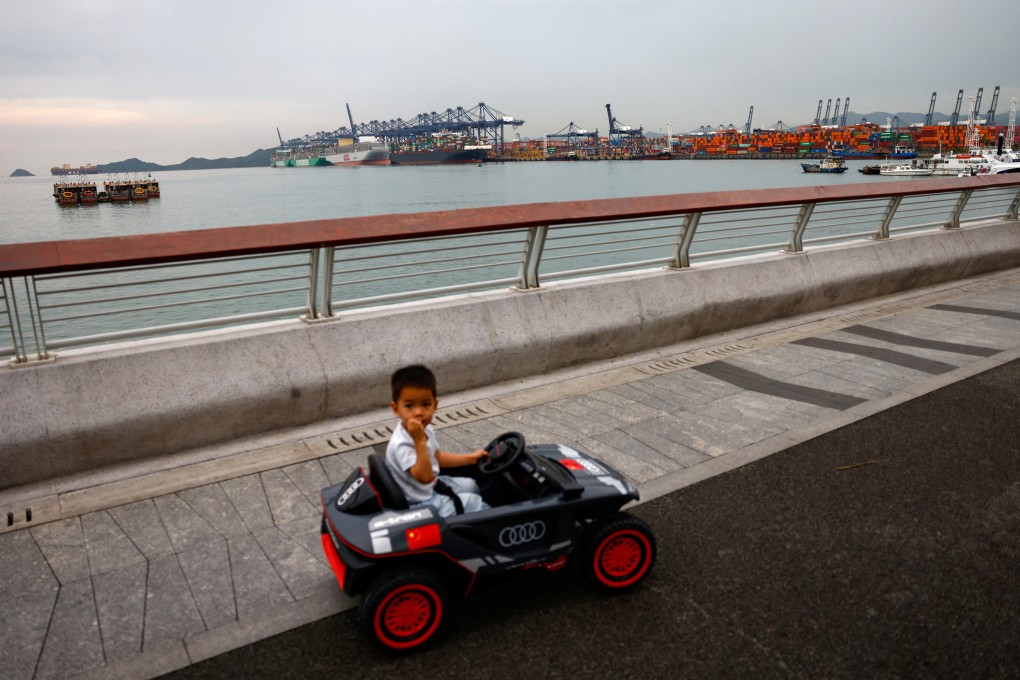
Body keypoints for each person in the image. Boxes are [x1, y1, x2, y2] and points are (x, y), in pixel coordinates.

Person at [385, 365, 490, 517]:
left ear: (435, 405)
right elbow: (424, 477)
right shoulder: (403, 443)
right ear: (396, 409)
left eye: (425, 404)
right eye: (409, 406)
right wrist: (419, 442)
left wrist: (470, 458)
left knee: (471, 485)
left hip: (430, 487)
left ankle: (466, 523)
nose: (419, 412)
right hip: (419, 503)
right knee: (474, 503)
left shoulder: (425, 429)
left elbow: (437, 457)